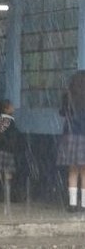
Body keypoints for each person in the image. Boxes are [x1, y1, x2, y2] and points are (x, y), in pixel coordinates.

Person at [57, 71, 85, 212]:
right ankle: (84, 204)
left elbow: (62, 112)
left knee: (72, 171)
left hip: (70, 135)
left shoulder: (68, 96)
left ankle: (72, 204)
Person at [0, 99, 19, 203]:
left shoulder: (0, 119)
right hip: (6, 150)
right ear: (6, 109)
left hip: (0, 150)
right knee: (7, 172)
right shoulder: (7, 120)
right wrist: (8, 144)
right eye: (11, 106)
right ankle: (7, 195)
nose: (14, 108)